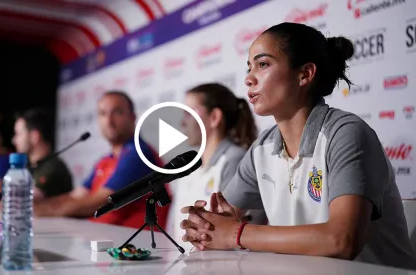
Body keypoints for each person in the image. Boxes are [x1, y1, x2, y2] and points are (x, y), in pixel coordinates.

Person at [180, 22, 416, 270]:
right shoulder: (262, 148)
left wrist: (236, 234)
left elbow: (342, 240)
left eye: (263, 65)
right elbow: (221, 221)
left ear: (305, 74)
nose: (249, 79)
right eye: (249, 68)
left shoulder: (346, 133)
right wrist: (206, 227)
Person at [35, 91, 170, 229]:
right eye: (103, 114)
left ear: (132, 117)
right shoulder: (105, 160)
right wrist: (36, 206)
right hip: (103, 241)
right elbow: (77, 196)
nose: (109, 121)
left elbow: (97, 203)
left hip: (133, 247)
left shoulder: (138, 154)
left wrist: (37, 210)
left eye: (117, 112)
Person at [168, 83, 258, 250]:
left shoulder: (234, 159)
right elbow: (173, 227)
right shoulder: (187, 165)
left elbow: (223, 231)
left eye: (189, 113)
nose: (182, 121)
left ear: (214, 117)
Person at [12, 108, 73, 202]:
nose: (14, 140)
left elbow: (23, 200)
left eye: (19, 134)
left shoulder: (53, 167)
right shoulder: (29, 167)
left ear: (34, 136)